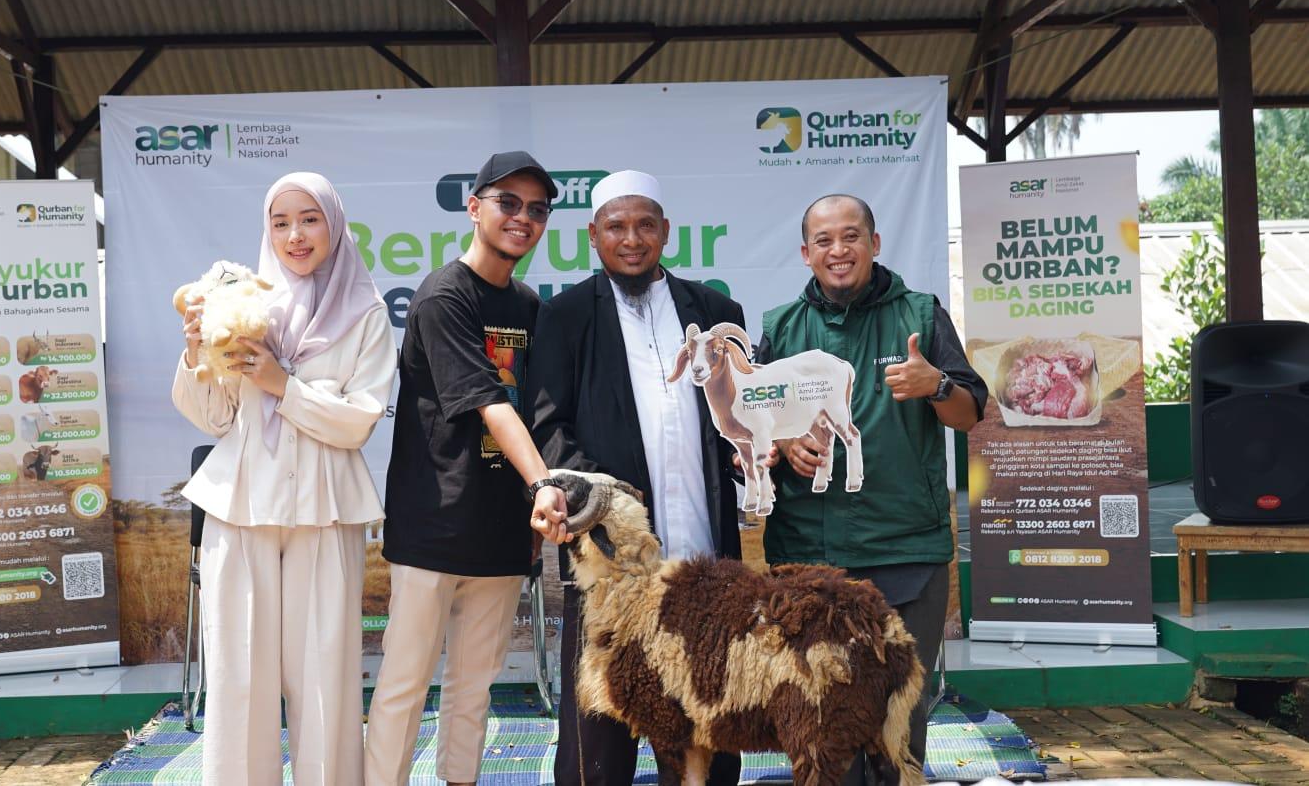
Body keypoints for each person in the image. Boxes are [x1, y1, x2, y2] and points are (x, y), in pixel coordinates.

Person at [172, 173, 397, 785]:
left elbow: (359, 421)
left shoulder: (368, 315)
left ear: (334, 223)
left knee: (325, 675)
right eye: (280, 222)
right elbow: (216, 415)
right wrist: (196, 355)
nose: (295, 235)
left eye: (309, 219)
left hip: (325, 513)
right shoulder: (241, 303)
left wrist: (282, 385)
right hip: (239, 508)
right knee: (238, 675)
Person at [755, 193, 987, 785]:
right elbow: (754, 435)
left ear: (875, 244)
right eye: (825, 241)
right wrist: (783, 447)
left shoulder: (920, 314)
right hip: (809, 559)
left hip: (905, 553)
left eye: (852, 236)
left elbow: (968, 415)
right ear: (806, 253)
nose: (840, 250)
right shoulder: (780, 328)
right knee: (818, 719)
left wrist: (936, 384)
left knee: (895, 720)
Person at [526, 170, 744, 785]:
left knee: (708, 720)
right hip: (611, 562)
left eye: (644, 225)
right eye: (616, 227)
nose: (631, 238)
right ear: (593, 236)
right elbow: (549, 427)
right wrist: (609, 497)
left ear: (665, 232)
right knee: (602, 735)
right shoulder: (566, 317)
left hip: (705, 560)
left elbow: (742, 415)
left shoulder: (718, 313)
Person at [365, 151, 572, 786]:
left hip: (504, 529)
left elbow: (537, 411)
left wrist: (543, 492)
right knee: (404, 683)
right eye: (508, 202)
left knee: (474, 686)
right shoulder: (442, 296)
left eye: (536, 209)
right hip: (435, 523)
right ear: (474, 207)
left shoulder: (531, 305)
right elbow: (489, 403)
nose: (523, 218)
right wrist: (543, 483)